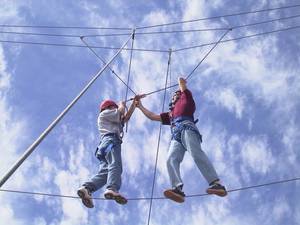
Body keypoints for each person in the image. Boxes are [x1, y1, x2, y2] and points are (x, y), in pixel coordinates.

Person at [135, 77, 227, 203]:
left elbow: (184, 89)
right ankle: (177, 188)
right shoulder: (171, 114)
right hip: (176, 134)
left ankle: (216, 183)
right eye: (173, 96)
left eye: (176, 94)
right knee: (170, 159)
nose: (174, 97)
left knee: (196, 153)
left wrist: (181, 84)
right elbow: (152, 116)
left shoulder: (187, 99)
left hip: (187, 127)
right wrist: (140, 106)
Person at [77, 98, 136, 208]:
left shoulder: (112, 119)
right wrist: (121, 105)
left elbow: (125, 117)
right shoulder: (104, 114)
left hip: (104, 148)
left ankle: (86, 189)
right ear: (109, 107)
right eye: (114, 107)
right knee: (116, 165)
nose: (116, 109)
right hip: (111, 142)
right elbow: (120, 112)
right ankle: (112, 188)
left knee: (105, 174)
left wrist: (134, 104)